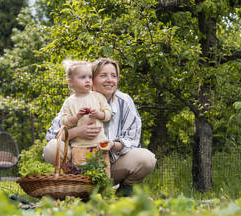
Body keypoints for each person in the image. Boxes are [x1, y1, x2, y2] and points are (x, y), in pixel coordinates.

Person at [44, 58, 157, 197]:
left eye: (114, 76)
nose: (110, 80)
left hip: (112, 165)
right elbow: (52, 134)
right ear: (93, 80)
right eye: (103, 75)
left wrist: (113, 145)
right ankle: (77, 185)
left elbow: (132, 140)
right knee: (52, 147)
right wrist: (77, 131)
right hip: (79, 162)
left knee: (146, 159)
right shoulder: (75, 100)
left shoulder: (124, 101)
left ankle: (125, 190)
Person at [61, 60, 112, 172]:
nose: (88, 80)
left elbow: (108, 113)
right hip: (79, 146)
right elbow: (64, 121)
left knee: (102, 170)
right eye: (82, 77)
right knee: (81, 172)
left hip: (99, 144)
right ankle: (83, 189)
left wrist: (99, 114)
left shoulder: (97, 97)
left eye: (90, 77)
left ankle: (104, 189)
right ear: (70, 82)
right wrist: (76, 117)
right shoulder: (69, 102)